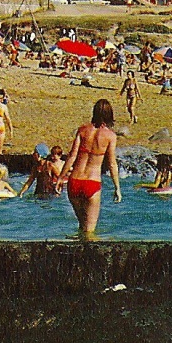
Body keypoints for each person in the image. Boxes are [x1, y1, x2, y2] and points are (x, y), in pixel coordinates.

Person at [56, 98, 122, 239]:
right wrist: (117, 187)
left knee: (82, 226)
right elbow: (112, 163)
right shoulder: (110, 136)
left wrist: (61, 178)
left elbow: (72, 156)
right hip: (92, 183)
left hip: (74, 181)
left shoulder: (82, 130)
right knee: (89, 232)